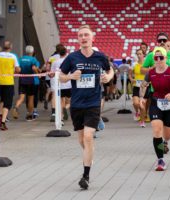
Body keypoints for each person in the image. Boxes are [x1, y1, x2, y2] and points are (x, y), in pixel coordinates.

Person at [59, 25, 114, 190]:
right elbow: (61, 77)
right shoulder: (72, 58)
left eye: (86, 35)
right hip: (76, 104)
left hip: (93, 102)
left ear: (92, 38)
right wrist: (70, 76)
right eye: (80, 35)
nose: (83, 38)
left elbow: (110, 71)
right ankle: (89, 156)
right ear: (78, 39)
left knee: (89, 137)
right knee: (82, 140)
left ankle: (86, 176)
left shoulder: (100, 57)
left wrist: (107, 77)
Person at [140, 47, 170, 171]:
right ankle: (160, 160)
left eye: (161, 57)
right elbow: (144, 85)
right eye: (156, 58)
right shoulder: (150, 73)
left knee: (167, 136)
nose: (158, 60)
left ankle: (169, 134)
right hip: (156, 103)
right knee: (157, 130)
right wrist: (142, 98)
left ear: (166, 58)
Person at [0, 41, 20, 130]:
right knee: (7, 103)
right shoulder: (13, 56)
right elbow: (17, 69)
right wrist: (16, 70)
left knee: (2, 100)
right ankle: (3, 122)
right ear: (10, 47)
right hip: (8, 82)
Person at [12, 45, 39, 121]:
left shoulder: (20, 59)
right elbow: (34, 68)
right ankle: (29, 115)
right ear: (32, 52)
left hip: (22, 80)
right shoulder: (33, 59)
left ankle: (16, 107)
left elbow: (18, 70)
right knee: (30, 98)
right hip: (31, 80)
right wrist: (37, 73)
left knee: (21, 97)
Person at [50, 45, 71, 124]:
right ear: (66, 53)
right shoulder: (69, 61)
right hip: (68, 84)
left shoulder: (55, 62)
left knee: (61, 101)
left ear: (59, 53)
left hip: (59, 85)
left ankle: (61, 119)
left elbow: (51, 74)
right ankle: (66, 107)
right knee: (69, 101)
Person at [129, 49, 146, 127]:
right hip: (136, 86)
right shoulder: (134, 64)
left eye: (140, 54)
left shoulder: (146, 64)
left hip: (144, 87)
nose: (139, 55)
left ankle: (142, 122)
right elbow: (130, 74)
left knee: (142, 105)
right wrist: (131, 79)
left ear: (143, 55)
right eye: (137, 54)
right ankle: (137, 112)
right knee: (135, 103)